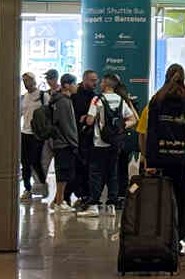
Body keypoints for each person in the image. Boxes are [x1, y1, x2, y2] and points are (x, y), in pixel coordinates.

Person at [138, 64, 185, 246]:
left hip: (160, 158)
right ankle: (181, 236)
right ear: (183, 79)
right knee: (183, 199)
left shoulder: (156, 100)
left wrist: (148, 159)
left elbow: (150, 132)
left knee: (162, 199)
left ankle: (163, 235)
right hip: (180, 157)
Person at [83, 73, 136, 217]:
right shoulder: (120, 100)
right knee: (113, 173)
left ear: (106, 84)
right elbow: (133, 120)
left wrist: (88, 118)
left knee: (96, 173)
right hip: (115, 143)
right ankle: (111, 205)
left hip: (99, 142)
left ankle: (94, 204)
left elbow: (89, 120)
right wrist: (120, 127)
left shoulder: (97, 99)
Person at [47, 74, 80, 214]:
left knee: (64, 173)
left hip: (61, 142)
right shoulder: (64, 102)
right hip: (64, 143)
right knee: (63, 174)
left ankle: (57, 200)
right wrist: (74, 142)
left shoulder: (59, 100)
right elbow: (67, 125)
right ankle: (59, 202)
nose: (76, 86)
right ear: (67, 85)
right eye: (74, 83)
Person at [19, 72, 49, 201]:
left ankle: (42, 183)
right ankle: (27, 188)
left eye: (28, 80)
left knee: (35, 161)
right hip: (25, 133)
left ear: (34, 80)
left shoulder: (44, 96)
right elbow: (20, 114)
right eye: (24, 81)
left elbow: (49, 114)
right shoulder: (23, 97)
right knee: (25, 162)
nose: (26, 83)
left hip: (38, 134)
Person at [71, 69, 98, 209]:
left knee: (88, 168)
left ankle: (86, 195)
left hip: (90, 139)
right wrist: (81, 119)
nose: (95, 83)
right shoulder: (74, 95)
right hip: (76, 138)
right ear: (85, 79)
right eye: (92, 80)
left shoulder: (95, 97)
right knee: (77, 168)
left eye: (96, 80)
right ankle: (78, 194)